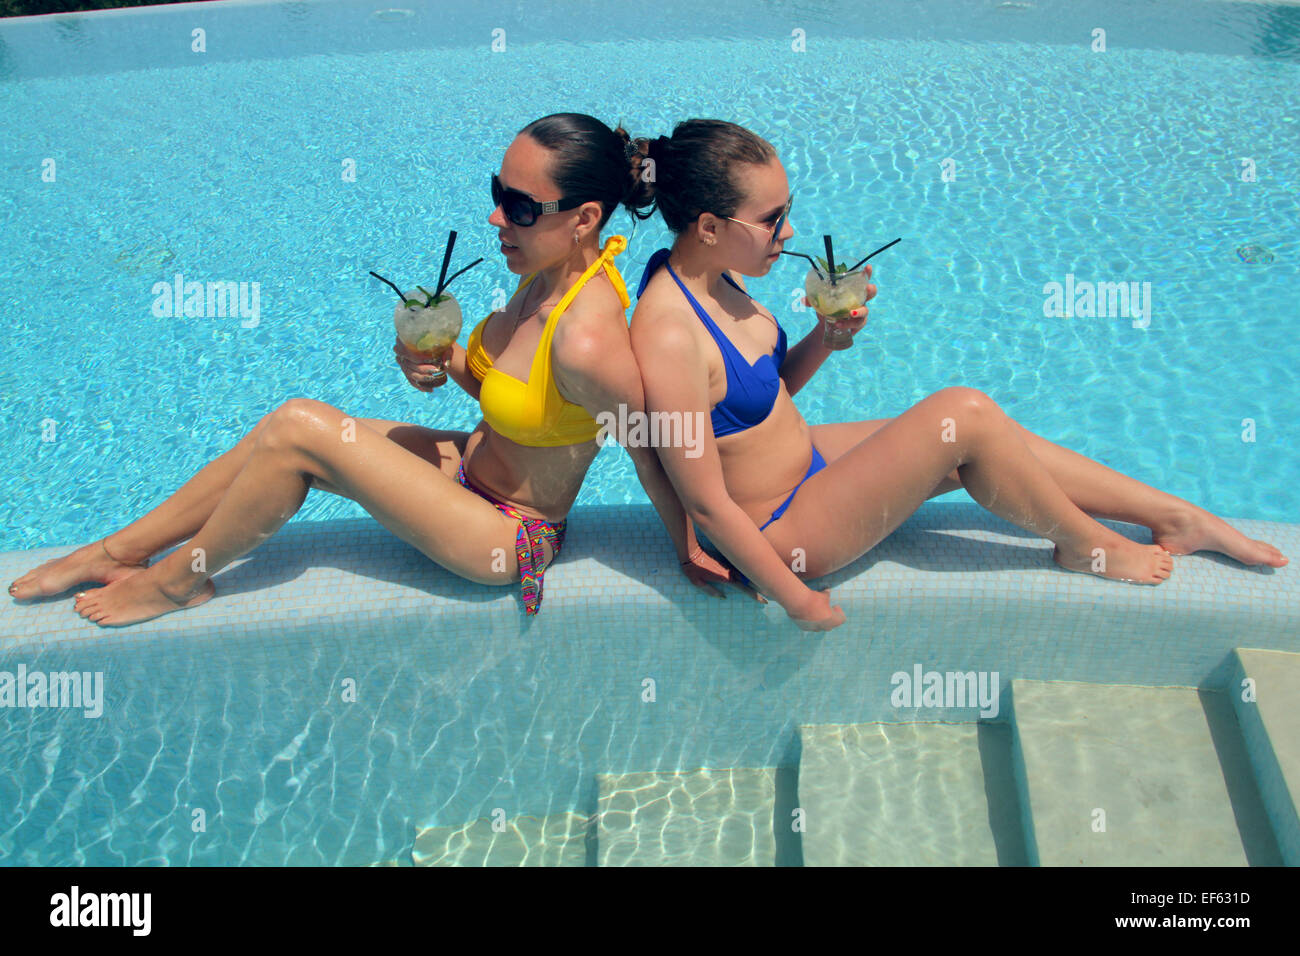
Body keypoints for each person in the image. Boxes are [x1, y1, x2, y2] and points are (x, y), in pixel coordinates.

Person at [8, 113, 736, 625]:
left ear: (583, 217)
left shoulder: (588, 336)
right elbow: (521, 397)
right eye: (496, 194)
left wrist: (688, 539)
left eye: (518, 207)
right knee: (280, 433)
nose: (496, 220)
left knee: (301, 428)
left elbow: (645, 440)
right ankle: (118, 549)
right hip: (466, 472)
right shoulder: (547, 272)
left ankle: (174, 584)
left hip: (506, 533)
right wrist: (443, 357)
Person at [624, 119, 1287, 632]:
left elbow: (765, 396)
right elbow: (707, 500)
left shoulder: (716, 274)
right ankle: (1087, 546)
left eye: (787, 208)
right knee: (963, 414)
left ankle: (1179, 515)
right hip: (784, 528)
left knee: (988, 434)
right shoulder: (668, 333)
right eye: (771, 219)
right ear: (709, 225)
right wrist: (797, 598)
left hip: (805, 466)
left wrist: (825, 339)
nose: (789, 229)